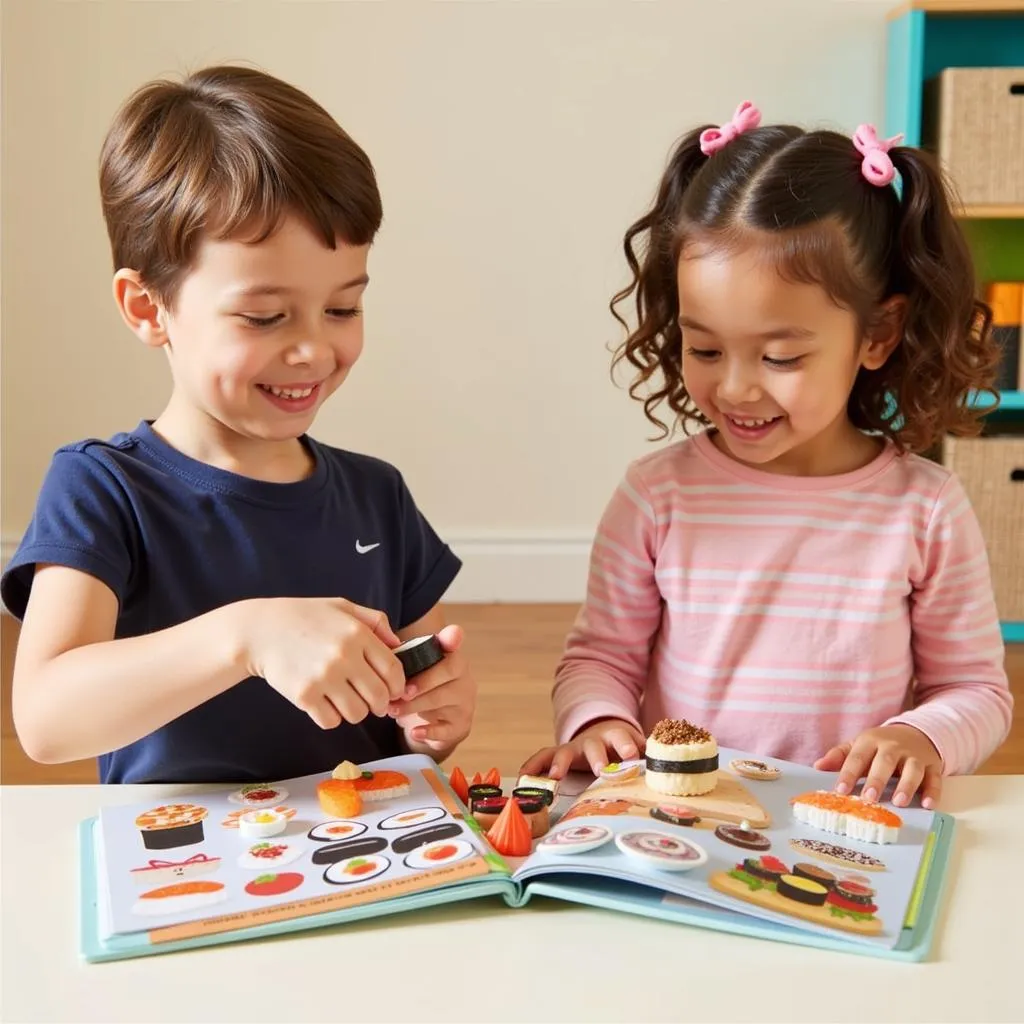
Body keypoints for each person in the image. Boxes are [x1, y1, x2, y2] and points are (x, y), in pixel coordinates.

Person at [521, 102, 1013, 809]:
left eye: (780, 355)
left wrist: (922, 738)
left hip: (842, 823)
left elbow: (974, 689)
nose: (735, 386)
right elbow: (600, 658)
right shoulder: (656, 496)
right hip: (685, 815)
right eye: (706, 349)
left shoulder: (925, 507)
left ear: (877, 334)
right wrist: (598, 720)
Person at [1, 65, 476, 784]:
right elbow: (45, 717)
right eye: (264, 316)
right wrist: (243, 635)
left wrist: (437, 720)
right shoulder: (102, 487)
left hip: (362, 860)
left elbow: (420, 701)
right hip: (185, 867)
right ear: (146, 308)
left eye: (343, 308)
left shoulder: (377, 495)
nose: (315, 348)